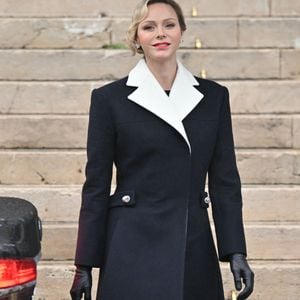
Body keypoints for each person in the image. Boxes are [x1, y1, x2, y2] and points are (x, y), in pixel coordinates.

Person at [70, 0, 254, 299]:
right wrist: (85, 264)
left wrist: (235, 251)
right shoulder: (109, 99)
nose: (160, 33)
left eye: (169, 24)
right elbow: (96, 186)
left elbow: (225, 183)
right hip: (129, 244)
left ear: (182, 31)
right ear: (137, 37)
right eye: (149, 27)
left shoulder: (213, 97)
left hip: (192, 243)